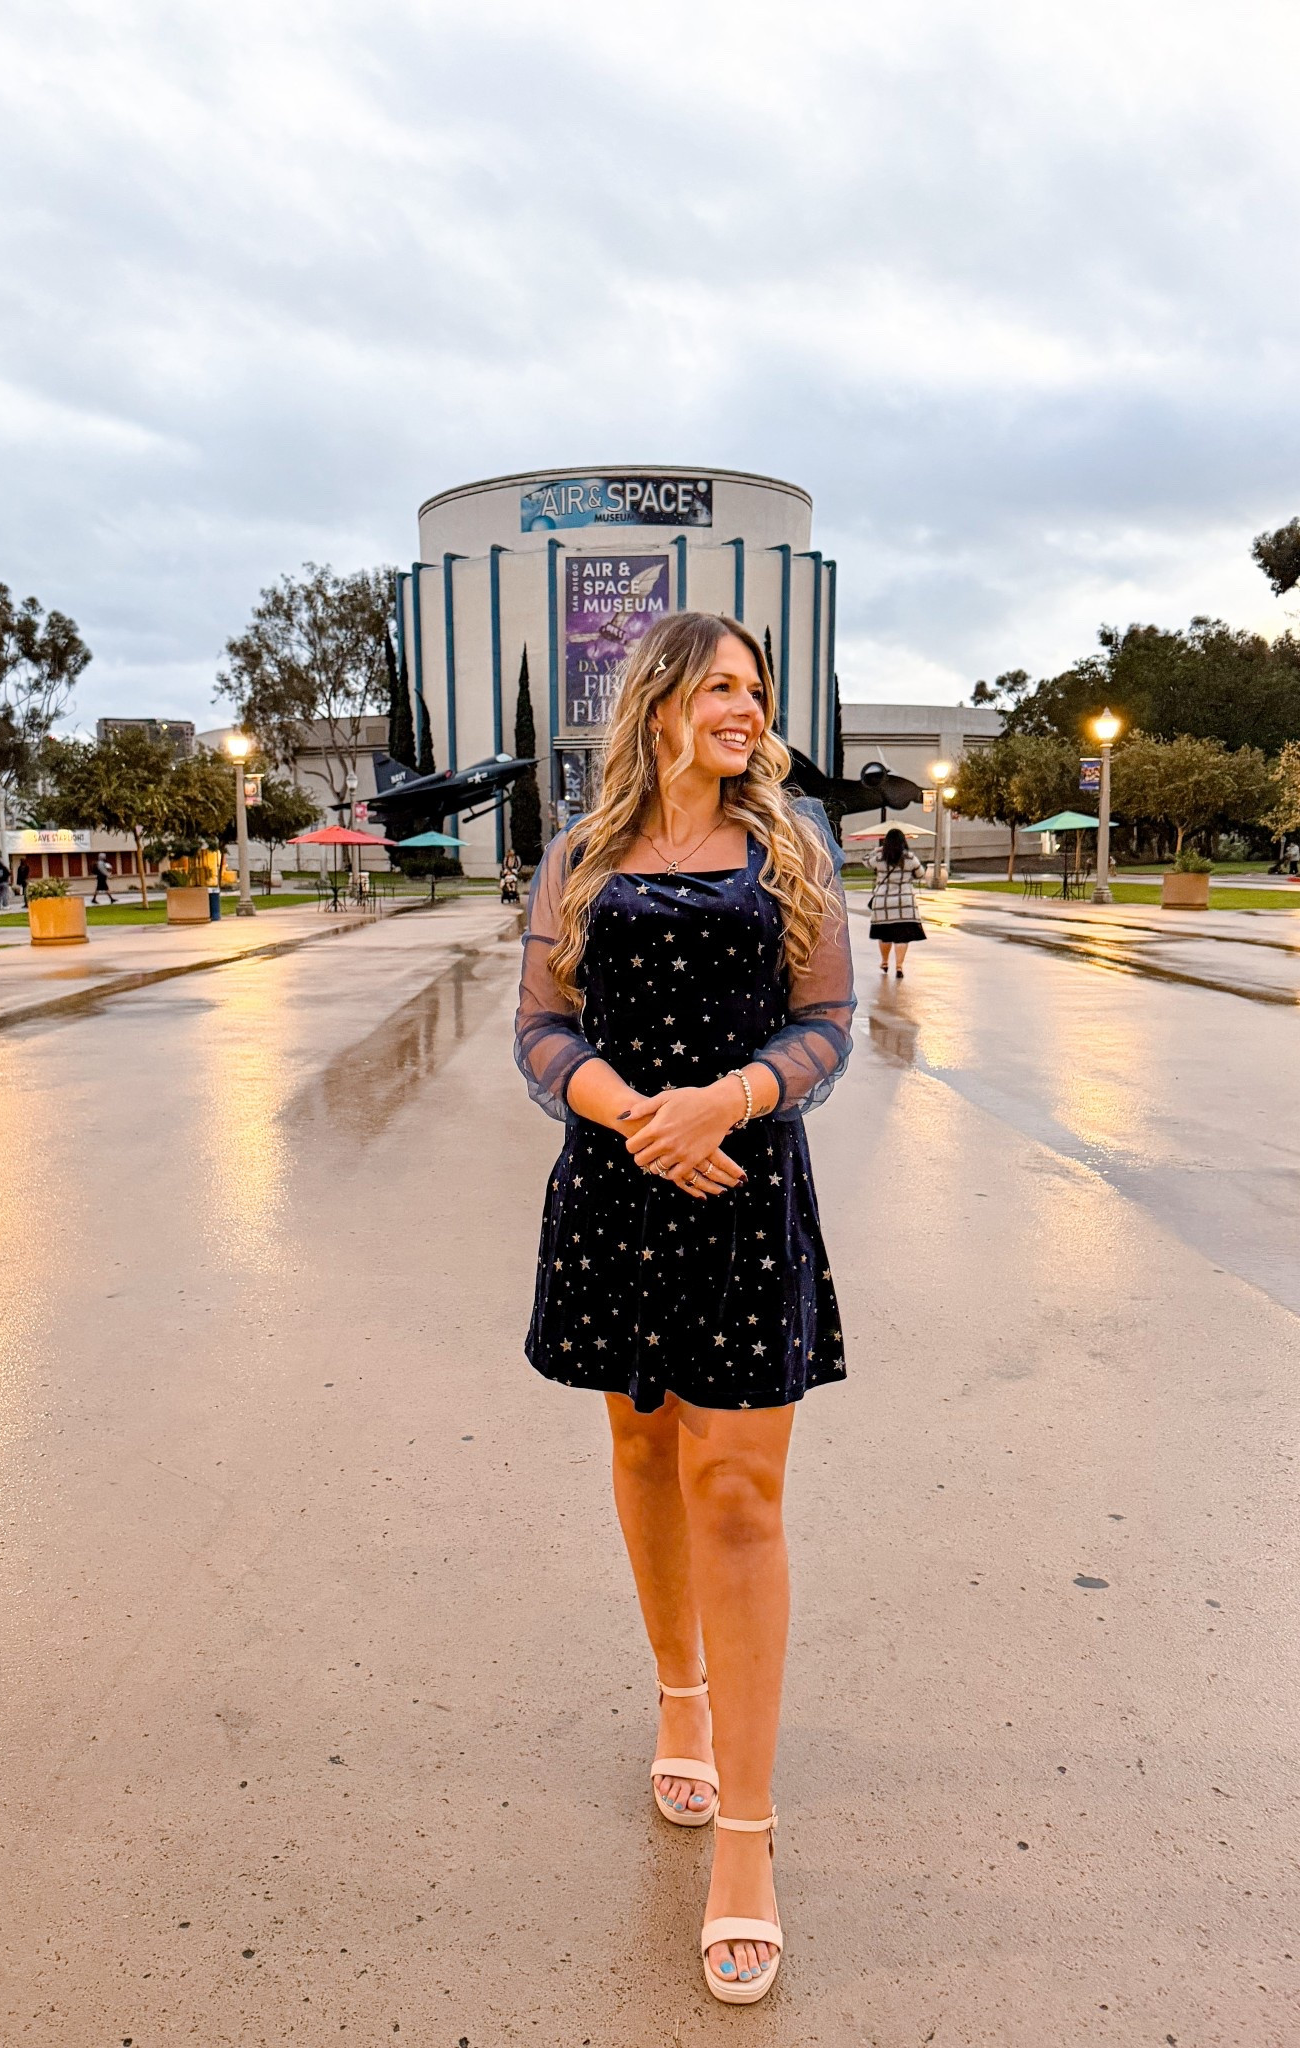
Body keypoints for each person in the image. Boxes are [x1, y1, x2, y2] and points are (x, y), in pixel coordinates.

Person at [515, 610, 854, 2005]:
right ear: (658, 704)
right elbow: (541, 1035)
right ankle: (680, 1697)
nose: (744, 706)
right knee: (645, 1446)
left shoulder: (796, 849)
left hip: (745, 1189)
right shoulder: (578, 856)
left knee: (740, 1495)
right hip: (616, 1190)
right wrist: (634, 1114)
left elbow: (830, 1027)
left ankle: (750, 1851)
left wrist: (725, 1098)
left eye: (756, 690)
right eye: (720, 684)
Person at [867, 826, 927, 977]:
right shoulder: (910, 858)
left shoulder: (880, 858)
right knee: (902, 937)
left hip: (883, 904)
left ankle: (885, 962)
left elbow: (866, 862)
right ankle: (899, 966)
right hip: (904, 903)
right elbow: (921, 874)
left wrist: (877, 850)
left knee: (884, 935)